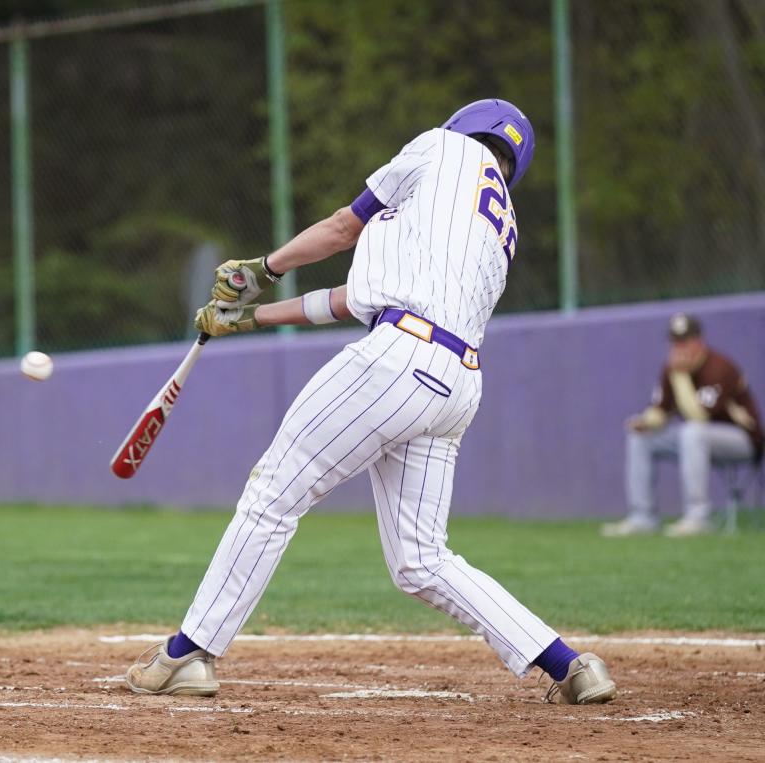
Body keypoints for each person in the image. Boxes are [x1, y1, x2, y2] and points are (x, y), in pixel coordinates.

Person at [124, 100, 617, 705]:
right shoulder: (495, 222)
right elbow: (353, 299)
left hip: (398, 358)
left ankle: (187, 654)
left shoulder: (439, 147)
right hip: (455, 385)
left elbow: (340, 228)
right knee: (422, 559)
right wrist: (249, 317)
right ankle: (571, 664)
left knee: (272, 494)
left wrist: (265, 268)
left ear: (464, 127)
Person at [602, 313, 763, 537]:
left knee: (692, 432)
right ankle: (643, 517)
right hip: (698, 440)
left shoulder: (719, 367)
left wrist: (680, 377)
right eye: (675, 341)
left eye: (684, 341)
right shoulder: (671, 369)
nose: (679, 347)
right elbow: (660, 409)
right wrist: (645, 422)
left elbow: (699, 416)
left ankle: (698, 517)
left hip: (743, 441)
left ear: (699, 340)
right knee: (640, 438)